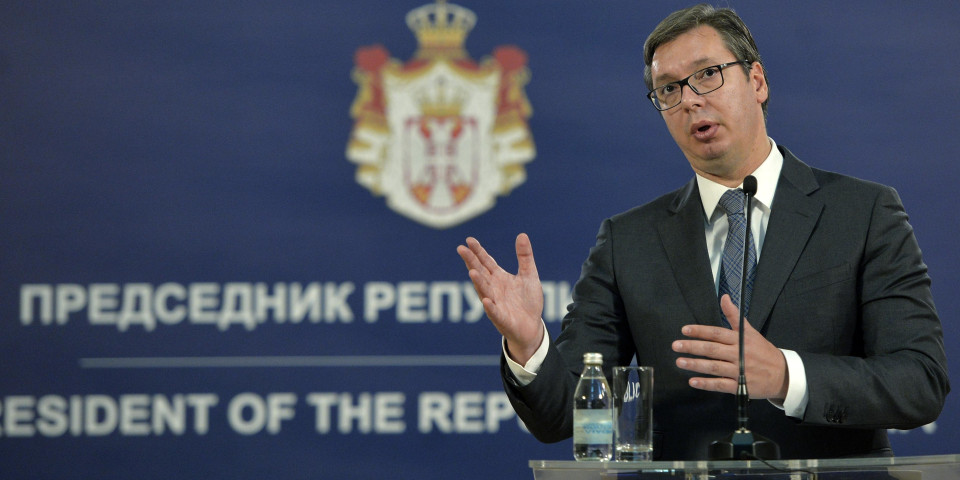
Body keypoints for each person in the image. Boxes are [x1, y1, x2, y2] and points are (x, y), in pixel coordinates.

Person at [456, 3, 949, 460]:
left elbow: (919, 381)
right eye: (669, 89)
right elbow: (562, 416)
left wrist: (786, 375)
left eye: (708, 74)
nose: (690, 100)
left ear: (757, 81)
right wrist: (529, 346)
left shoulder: (862, 213)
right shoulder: (629, 242)